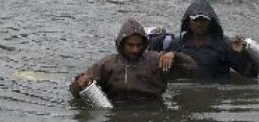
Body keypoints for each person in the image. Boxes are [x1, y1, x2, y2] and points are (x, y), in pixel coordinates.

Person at [69, 17, 197, 103]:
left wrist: (174, 55)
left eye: (138, 45)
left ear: (145, 44)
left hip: (152, 110)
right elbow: (75, 92)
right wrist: (80, 84)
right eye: (130, 45)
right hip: (116, 110)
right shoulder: (106, 65)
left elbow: (192, 68)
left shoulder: (157, 60)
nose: (135, 50)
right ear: (121, 45)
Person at [165, 0, 259, 79]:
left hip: (214, 92)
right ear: (188, 21)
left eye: (204, 20)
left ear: (211, 22)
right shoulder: (177, 44)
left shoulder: (224, 44)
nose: (199, 24)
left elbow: (251, 75)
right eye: (195, 20)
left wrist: (240, 54)